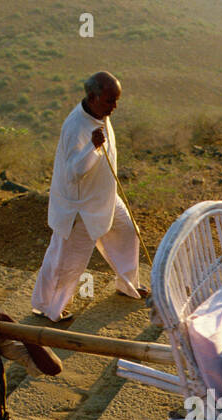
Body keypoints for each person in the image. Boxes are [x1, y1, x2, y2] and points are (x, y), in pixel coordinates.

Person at [30, 71, 146, 323]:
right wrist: (91, 148)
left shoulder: (100, 112)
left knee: (127, 232)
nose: (114, 106)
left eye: (116, 100)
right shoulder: (75, 126)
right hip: (80, 207)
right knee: (66, 260)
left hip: (104, 196)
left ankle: (128, 285)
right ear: (92, 98)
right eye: (109, 101)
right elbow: (73, 172)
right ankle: (48, 308)